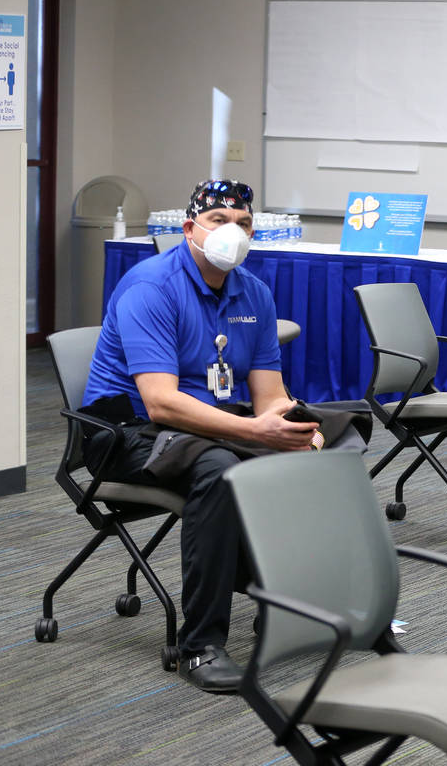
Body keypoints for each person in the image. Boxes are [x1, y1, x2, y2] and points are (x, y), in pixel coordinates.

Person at [82, 179, 319, 692]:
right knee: (221, 472)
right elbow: (160, 402)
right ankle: (201, 646)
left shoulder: (253, 292)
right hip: (124, 433)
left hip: (205, 425)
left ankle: (279, 600)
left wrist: (292, 425)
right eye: (218, 221)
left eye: (243, 224)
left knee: (318, 453)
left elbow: (269, 394)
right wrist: (256, 431)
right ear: (189, 229)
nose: (232, 232)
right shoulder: (152, 287)